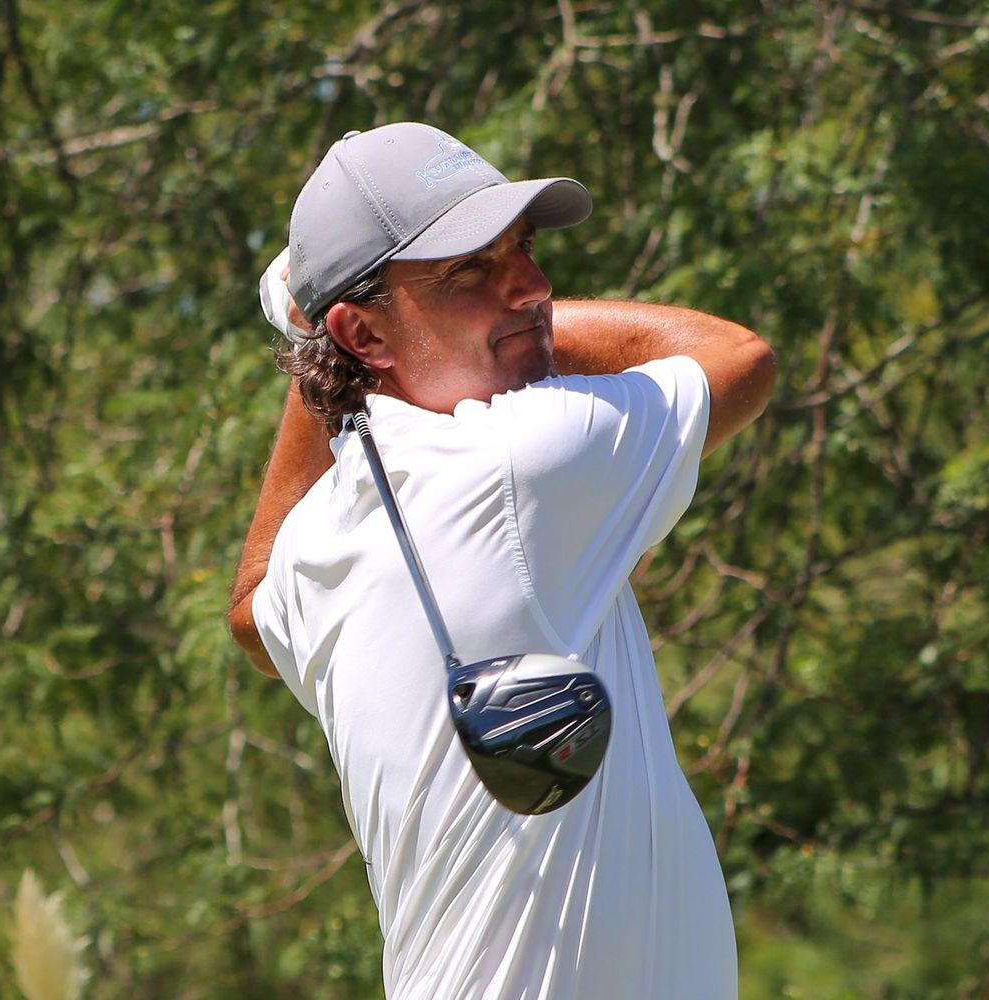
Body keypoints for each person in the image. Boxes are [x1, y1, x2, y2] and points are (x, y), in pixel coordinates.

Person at [229, 122, 776, 1000]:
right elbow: (735, 356)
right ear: (365, 335)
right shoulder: (522, 459)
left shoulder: (314, 542)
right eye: (469, 272)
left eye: (520, 249)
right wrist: (326, 334)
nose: (536, 289)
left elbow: (251, 611)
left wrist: (321, 352)